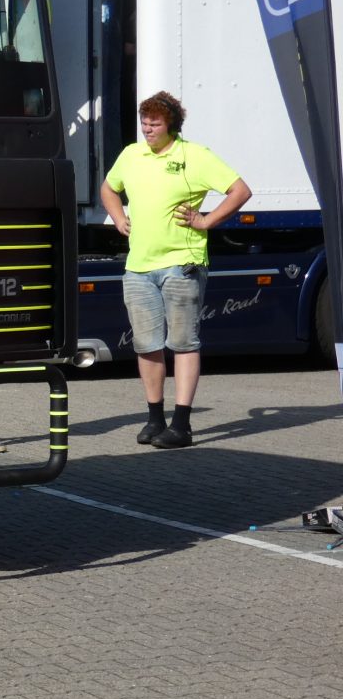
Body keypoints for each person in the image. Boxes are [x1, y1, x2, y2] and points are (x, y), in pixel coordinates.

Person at [100, 92, 252, 449]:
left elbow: (239, 190)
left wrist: (207, 220)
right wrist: (119, 218)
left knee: (183, 343)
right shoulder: (132, 155)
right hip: (139, 267)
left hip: (181, 265)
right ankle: (155, 418)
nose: (147, 129)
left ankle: (182, 424)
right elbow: (108, 188)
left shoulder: (193, 156)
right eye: (144, 122)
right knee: (146, 345)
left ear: (172, 125)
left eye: (154, 123)